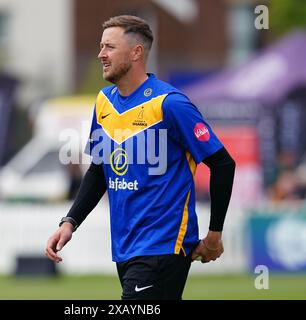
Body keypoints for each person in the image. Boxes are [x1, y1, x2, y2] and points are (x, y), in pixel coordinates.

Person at [45, 15, 235, 300]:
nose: (100, 54)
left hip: (163, 245)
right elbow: (99, 170)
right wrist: (70, 222)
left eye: (109, 47)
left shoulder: (170, 104)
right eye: (100, 46)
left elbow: (222, 164)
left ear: (136, 52)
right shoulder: (104, 102)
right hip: (126, 247)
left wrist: (214, 234)